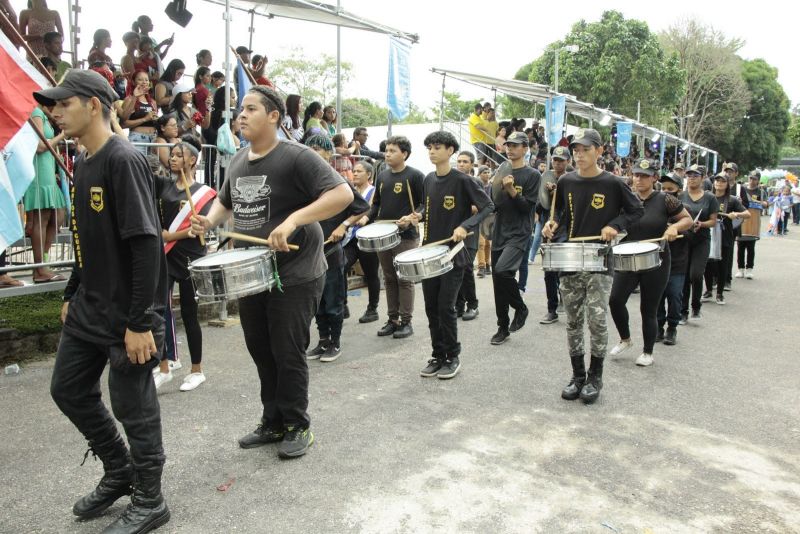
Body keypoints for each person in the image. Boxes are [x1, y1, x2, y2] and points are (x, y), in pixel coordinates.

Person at [37, 69, 171, 533]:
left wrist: (140, 322)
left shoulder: (122, 158)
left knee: (134, 408)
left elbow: (145, 244)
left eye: (62, 103)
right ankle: (119, 470)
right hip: (90, 308)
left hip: (128, 315)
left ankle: (150, 500)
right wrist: (72, 291)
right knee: (67, 389)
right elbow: (85, 240)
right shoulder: (86, 160)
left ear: (94, 105)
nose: (54, 112)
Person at [189, 86, 353, 458]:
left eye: (250, 109)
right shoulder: (238, 161)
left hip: (295, 271)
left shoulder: (297, 156)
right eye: (239, 110)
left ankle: (298, 425)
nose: (241, 116)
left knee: (287, 351)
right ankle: (273, 420)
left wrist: (295, 219)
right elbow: (224, 202)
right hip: (252, 273)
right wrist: (209, 221)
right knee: (261, 350)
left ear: (274, 116)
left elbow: (341, 195)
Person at [542, 129, 643, 404]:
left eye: (586, 149)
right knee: (573, 321)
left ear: (599, 151)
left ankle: (595, 377)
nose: (579, 153)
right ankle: (577, 376)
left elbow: (636, 211)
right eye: (576, 149)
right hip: (570, 257)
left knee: (596, 321)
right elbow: (560, 213)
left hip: (600, 258)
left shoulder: (613, 183)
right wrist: (552, 225)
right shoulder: (566, 181)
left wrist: (615, 225)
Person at [398, 131, 492, 379]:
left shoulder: (463, 181)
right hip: (430, 252)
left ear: (450, 151)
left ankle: (453, 356)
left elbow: (488, 207)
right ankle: (437, 355)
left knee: (445, 307)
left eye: (437, 147)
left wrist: (465, 226)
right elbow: (428, 210)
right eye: (429, 147)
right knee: (430, 307)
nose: (432, 151)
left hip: (454, 254)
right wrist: (416, 216)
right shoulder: (429, 179)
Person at [608, 159, 691, 367]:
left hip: (657, 258)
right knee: (615, 300)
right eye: (636, 175)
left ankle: (647, 351)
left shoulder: (665, 199)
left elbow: (687, 220)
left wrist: (674, 228)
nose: (639, 179)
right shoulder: (626, 198)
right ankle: (625, 339)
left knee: (649, 308)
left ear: (654, 177)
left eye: (644, 175)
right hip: (628, 255)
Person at [153, 136, 216, 392]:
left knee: (190, 315)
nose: (174, 158)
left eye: (179, 155)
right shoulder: (165, 186)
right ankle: (165, 366)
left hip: (191, 257)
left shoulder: (204, 193)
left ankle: (196, 369)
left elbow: (196, 227)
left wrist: (170, 235)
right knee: (160, 310)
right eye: (173, 155)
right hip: (166, 257)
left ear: (192, 160)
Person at [304, 135, 370, 362]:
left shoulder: (338, 181)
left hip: (331, 250)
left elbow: (362, 207)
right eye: (309, 148)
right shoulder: (303, 182)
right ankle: (322, 341)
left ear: (327, 153)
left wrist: (343, 225)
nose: (313, 152)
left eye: (317, 149)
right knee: (318, 301)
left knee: (333, 300)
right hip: (311, 251)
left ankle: (335, 343)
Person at [367, 135, 424, 338]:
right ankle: (393, 319)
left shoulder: (415, 175)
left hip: (406, 235)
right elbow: (376, 204)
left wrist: (413, 217)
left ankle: (406, 321)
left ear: (405, 154)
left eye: (392, 151)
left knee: (404, 279)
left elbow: (425, 205)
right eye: (386, 150)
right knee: (389, 278)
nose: (387, 154)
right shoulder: (382, 176)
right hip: (384, 234)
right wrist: (365, 220)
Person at [489, 132, 539, 345]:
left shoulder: (533, 175)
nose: (511, 148)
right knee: (498, 281)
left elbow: (526, 207)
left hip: (520, 232)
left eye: (516, 145)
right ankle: (502, 327)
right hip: (499, 231)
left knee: (503, 271)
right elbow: (494, 203)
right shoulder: (502, 170)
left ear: (525, 149)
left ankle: (520, 307)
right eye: (509, 144)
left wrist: (511, 190)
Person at [679, 164, 719, 323]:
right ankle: (683, 311)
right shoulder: (680, 196)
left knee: (696, 274)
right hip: (684, 240)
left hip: (701, 240)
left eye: (695, 176)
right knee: (683, 277)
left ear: (703, 178)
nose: (691, 179)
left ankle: (696, 305)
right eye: (689, 175)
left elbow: (713, 221)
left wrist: (701, 224)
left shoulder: (710, 198)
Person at [343, 161, 381, 323]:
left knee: (371, 273)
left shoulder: (373, 192)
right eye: (354, 170)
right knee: (341, 267)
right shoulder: (350, 192)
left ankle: (372, 309)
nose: (355, 173)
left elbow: (374, 209)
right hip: (350, 239)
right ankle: (342, 304)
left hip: (367, 239)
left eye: (359, 171)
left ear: (369, 175)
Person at [703, 173, 749, 304]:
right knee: (708, 264)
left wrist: (736, 214)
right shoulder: (707, 197)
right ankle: (708, 290)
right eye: (717, 180)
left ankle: (720, 293)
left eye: (722, 181)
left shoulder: (732, 200)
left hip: (725, 236)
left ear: (727, 184)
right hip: (708, 235)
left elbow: (747, 214)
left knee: (723, 265)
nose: (719, 183)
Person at [537, 145, 571, 324]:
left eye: (561, 161)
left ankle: (566, 299)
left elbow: (569, 208)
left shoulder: (573, 179)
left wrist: (558, 191)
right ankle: (552, 309)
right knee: (549, 271)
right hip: (548, 227)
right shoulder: (545, 177)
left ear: (568, 162)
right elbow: (540, 203)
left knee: (564, 270)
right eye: (555, 160)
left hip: (566, 230)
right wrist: (548, 193)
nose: (558, 164)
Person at [657, 173, 691, 345]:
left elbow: (688, 231)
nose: (666, 192)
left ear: (679, 189)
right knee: (657, 296)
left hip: (677, 260)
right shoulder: (656, 207)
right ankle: (658, 327)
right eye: (663, 188)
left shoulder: (684, 211)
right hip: (658, 260)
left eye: (670, 189)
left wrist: (675, 229)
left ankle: (672, 327)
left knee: (674, 295)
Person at [454, 151, 480, 321]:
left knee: (467, 268)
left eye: (465, 161)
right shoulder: (452, 181)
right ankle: (459, 305)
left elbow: (480, 207)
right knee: (455, 269)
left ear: (472, 164)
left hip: (470, 231)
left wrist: (458, 208)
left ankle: (473, 305)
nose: (461, 164)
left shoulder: (474, 182)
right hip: (453, 231)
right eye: (459, 161)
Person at [736, 171, 768, 279]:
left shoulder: (761, 191)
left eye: (754, 179)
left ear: (758, 180)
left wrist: (762, 203)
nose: (752, 180)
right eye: (750, 178)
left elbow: (766, 204)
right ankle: (740, 269)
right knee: (740, 246)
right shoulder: (741, 189)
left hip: (754, 221)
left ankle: (749, 269)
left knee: (751, 247)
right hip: (742, 220)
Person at [121, 70, 159, 155]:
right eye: (140, 79)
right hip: (137, 139)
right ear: (134, 82)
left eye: (146, 80)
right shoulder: (130, 99)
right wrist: (145, 119)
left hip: (153, 139)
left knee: (153, 167)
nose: (144, 82)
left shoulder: (153, 102)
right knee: (138, 166)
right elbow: (123, 124)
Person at [475, 165, 493, 278]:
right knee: (480, 243)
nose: (487, 174)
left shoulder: (492, 186)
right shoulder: (476, 185)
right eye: (484, 172)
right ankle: (481, 266)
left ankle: (487, 264)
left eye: (488, 172)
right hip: (480, 215)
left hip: (490, 216)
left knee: (488, 243)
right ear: (479, 174)